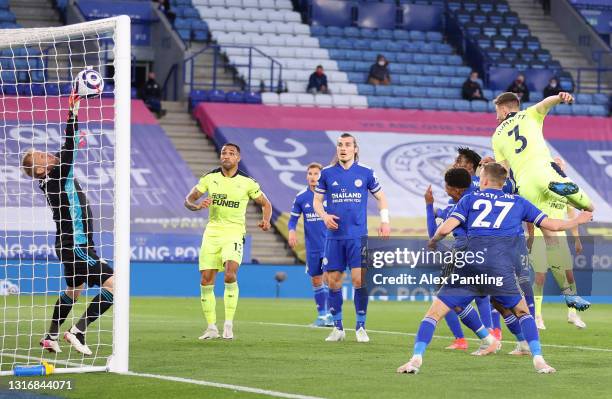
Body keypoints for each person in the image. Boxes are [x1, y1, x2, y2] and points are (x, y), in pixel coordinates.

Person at [397, 163, 593, 374]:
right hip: (500, 268)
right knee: (522, 312)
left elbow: (445, 229)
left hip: (469, 265)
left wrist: (434, 240)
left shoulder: (469, 199)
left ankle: (415, 359)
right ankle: (539, 359)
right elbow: (552, 225)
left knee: (434, 314)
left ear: (484, 180)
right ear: (503, 182)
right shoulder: (519, 202)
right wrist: (579, 219)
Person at [22, 92, 114, 356]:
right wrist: (73, 111)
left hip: (67, 244)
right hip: (77, 244)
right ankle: (78, 330)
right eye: (42, 156)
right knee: (115, 285)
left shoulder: (49, 180)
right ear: (40, 170)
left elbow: (68, 149)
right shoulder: (57, 175)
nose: (48, 155)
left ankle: (50, 336)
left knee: (74, 291)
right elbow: (69, 145)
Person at [491, 91, 594, 311]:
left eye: (496, 111)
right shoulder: (529, 115)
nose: (496, 116)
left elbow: (504, 171)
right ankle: (562, 189)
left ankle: (569, 295)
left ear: (503, 108)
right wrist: (560, 97)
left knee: (550, 239)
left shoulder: (497, 136)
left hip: (525, 185)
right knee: (589, 206)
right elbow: (546, 103)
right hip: (544, 173)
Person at [184, 143, 272, 340]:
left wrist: (266, 220)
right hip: (212, 233)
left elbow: (266, 203)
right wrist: (197, 206)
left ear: (238, 158)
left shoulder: (247, 182)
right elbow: (188, 199)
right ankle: (211, 327)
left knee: (230, 274)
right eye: (224, 152)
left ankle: (229, 324)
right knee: (206, 279)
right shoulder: (210, 178)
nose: (226, 156)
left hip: (234, 232)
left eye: (231, 153)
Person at [313, 133, 391, 342]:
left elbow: (381, 197)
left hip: (358, 237)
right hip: (334, 238)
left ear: (355, 149)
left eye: (347, 145)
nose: (343, 148)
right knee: (334, 282)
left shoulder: (365, 172)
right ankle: (338, 327)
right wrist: (324, 216)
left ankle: (360, 327)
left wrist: (384, 221)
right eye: (340, 145)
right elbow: (317, 201)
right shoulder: (327, 173)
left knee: (359, 280)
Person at [530, 157, 586, 330]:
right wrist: (530, 237)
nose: (559, 168)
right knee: (540, 277)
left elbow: (572, 216)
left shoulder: (566, 192)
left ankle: (573, 313)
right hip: (541, 235)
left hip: (560, 236)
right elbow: (530, 213)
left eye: (561, 166)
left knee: (569, 275)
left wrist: (576, 238)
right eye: (556, 166)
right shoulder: (541, 187)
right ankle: (537, 316)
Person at [288, 163, 333, 327]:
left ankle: (331, 315)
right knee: (316, 280)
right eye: (310, 173)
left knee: (328, 278)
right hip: (312, 246)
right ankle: (322, 316)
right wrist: (291, 231)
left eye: (316, 173)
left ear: (321, 176)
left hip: (330, 244)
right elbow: (293, 219)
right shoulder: (301, 197)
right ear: (307, 176)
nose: (313, 177)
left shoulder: (330, 194)